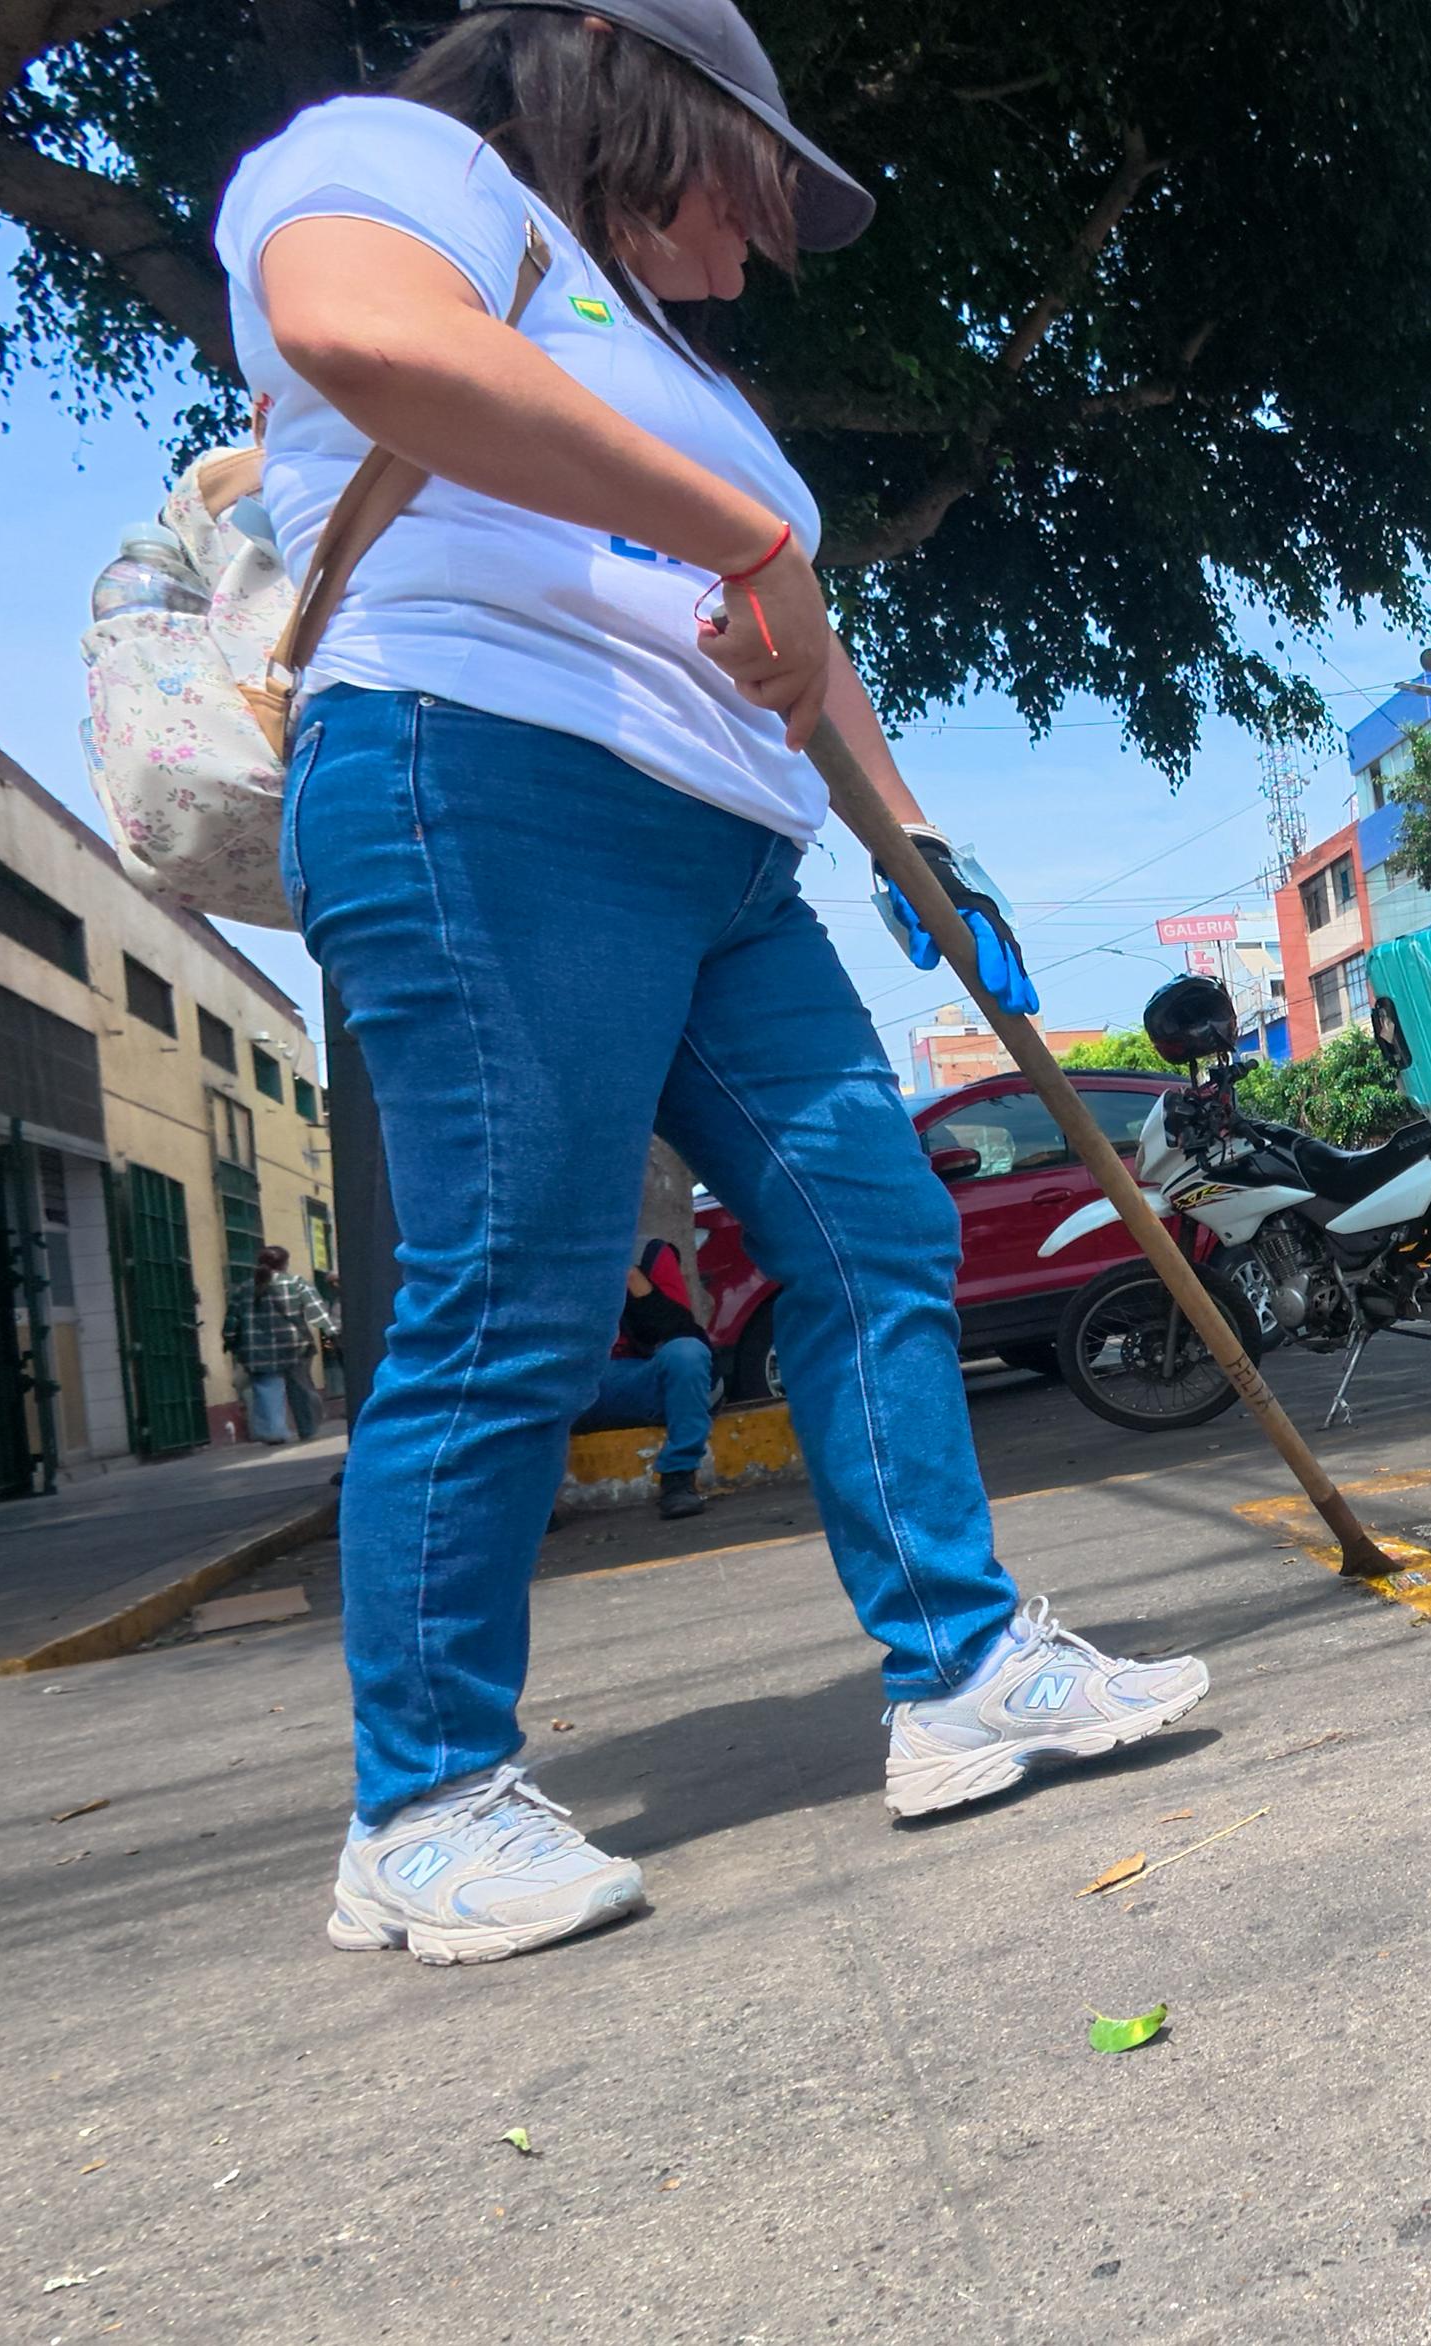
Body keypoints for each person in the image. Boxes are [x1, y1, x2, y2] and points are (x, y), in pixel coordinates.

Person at [226, 0, 1203, 1965]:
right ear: (629, 85)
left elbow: (793, 636)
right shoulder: (404, 173)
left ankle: (962, 1670)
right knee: (515, 1292)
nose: (764, 248)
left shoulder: (666, 361)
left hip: (730, 857)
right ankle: (418, 1807)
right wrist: (749, 529)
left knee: (876, 1239)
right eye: (761, 188)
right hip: (476, 776)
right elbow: (357, 334)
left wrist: (917, 845)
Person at [578, 1238, 719, 1518]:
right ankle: (531, 1501)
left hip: (637, 1379)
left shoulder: (649, 1253)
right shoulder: (536, 1260)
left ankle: (679, 1477)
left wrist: (629, 1276)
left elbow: (679, 1330)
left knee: (687, 1354)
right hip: (569, 1387)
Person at [223, 1244, 335, 1443]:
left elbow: (233, 1319)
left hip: (257, 1350)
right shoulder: (296, 1283)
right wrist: (332, 1331)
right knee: (302, 1389)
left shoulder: (245, 1288)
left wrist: (230, 1340)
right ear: (285, 1263)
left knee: (266, 1390)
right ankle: (307, 1428)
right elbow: (317, 1311)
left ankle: (274, 1432)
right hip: (294, 1347)